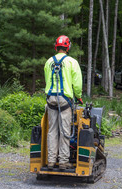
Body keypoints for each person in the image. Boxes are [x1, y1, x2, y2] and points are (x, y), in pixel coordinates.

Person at [44, 35, 83, 170]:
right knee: (65, 131)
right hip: (64, 100)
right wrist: (78, 96)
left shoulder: (48, 62)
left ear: (56, 46)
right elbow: (77, 84)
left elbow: (47, 80)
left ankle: (50, 161)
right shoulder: (72, 62)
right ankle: (63, 161)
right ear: (68, 47)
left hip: (51, 99)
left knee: (52, 131)